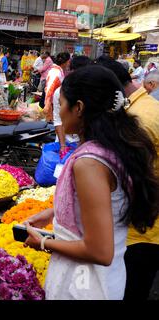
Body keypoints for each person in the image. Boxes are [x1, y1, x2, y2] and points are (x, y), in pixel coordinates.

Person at [25, 65, 159, 300]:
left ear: (78, 108)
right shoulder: (117, 147)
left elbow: (100, 251)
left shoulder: (89, 163)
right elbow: (107, 205)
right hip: (99, 281)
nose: (60, 112)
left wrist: (45, 242)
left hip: (85, 286)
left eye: (62, 104)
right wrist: (53, 212)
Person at [96, 57, 159, 300]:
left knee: (131, 291)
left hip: (142, 232)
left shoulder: (138, 119)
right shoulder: (146, 104)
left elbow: (129, 178)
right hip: (146, 226)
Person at [53, 55, 92, 153]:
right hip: (65, 141)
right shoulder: (60, 92)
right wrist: (63, 146)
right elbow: (58, 120)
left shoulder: (91, 93)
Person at [44, 52, 71, 121]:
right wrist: (47, 105)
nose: (69, 64)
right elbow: (50, 89)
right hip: (52, 104)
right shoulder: (56, 72)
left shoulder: (57, 71)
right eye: (68, 62)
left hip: (55, 102)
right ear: (66, 62)